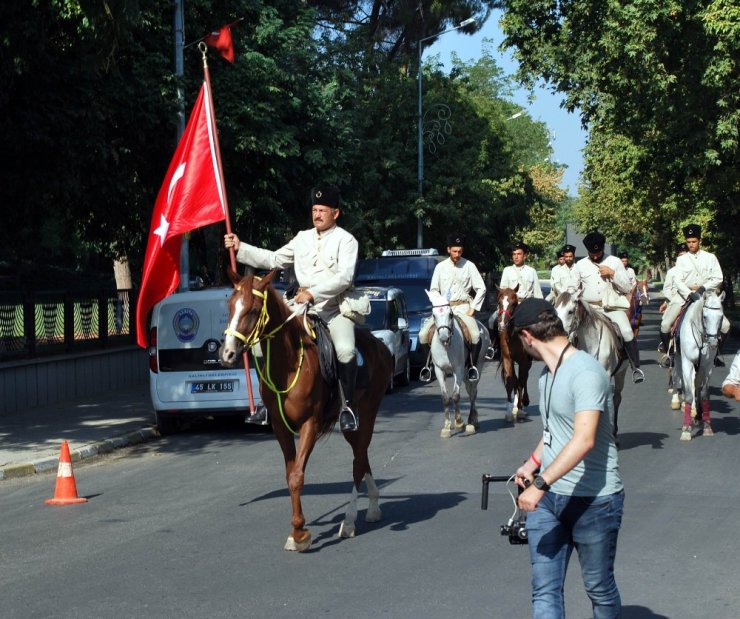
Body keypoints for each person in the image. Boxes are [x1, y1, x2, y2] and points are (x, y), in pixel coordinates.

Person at [511, 298, 624, 619]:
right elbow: (554, 433)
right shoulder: (546, 377)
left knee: (599, 589)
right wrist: (532, 463)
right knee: (544, 590)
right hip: (548, 503)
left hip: (594, 501)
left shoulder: (587, 372)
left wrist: (540, 483)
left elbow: (583, 439)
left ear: (527, 337)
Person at [224, 185, 361, 431]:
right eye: (314, 210)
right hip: (298, 308)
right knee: (257, 346)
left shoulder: (346, 241)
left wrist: (313, 292)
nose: (317, 215)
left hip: (332, 309)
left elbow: (345, 278)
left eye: (322, 210)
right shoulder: (302, 238)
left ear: (335, 213)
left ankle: (347, 406)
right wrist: (240, 248)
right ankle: (268, 402)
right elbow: (274, 259)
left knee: (346, 350)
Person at [572, 231, 644, 383]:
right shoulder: (580, 265)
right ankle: (566, 367)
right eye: (592, 253)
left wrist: (612, 274)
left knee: (626, 331)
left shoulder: (615, 261)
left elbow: (626, 287)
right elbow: (571, 288)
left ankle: (635, 368)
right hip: (589, 309)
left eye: (598, 252)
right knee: (570, 331)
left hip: (611, 307)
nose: (596, 256)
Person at [668, 224, 730, 367]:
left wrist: (703, 288)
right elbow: (677, 280)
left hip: (707, 297)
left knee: (726, 326)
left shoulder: (711, 257)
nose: (691, 245)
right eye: (688, 242)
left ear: (700, 241)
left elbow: (718, 278)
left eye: (694, 241)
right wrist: (689, 293)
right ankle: (670, 355)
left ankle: (716, 354)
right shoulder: (681, 259)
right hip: (685, 296)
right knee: (665, 325)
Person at [427, 233, 487, 380]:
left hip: (463, 307)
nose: (457, 254)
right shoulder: (440, 267)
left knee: (475, 335)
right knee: (423, 334)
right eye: (454, 251)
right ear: (448, 250)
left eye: (460, 251)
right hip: (444, 309)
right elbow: (434, 289)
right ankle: (428, 365)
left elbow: (481, 288)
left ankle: (471, 366)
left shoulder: (469, 265)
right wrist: (439, 302)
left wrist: (473, 307)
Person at [658, 243, 688, 354]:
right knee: (665, 325)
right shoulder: (672, 272)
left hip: (696, 299)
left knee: (723, 325)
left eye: (685, 255)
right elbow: (666, 290)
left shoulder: (695, 268)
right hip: (678, 300)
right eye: (681, 255)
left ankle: (715, 353)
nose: (683, 258)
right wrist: (673, 298)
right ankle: (668, 351)